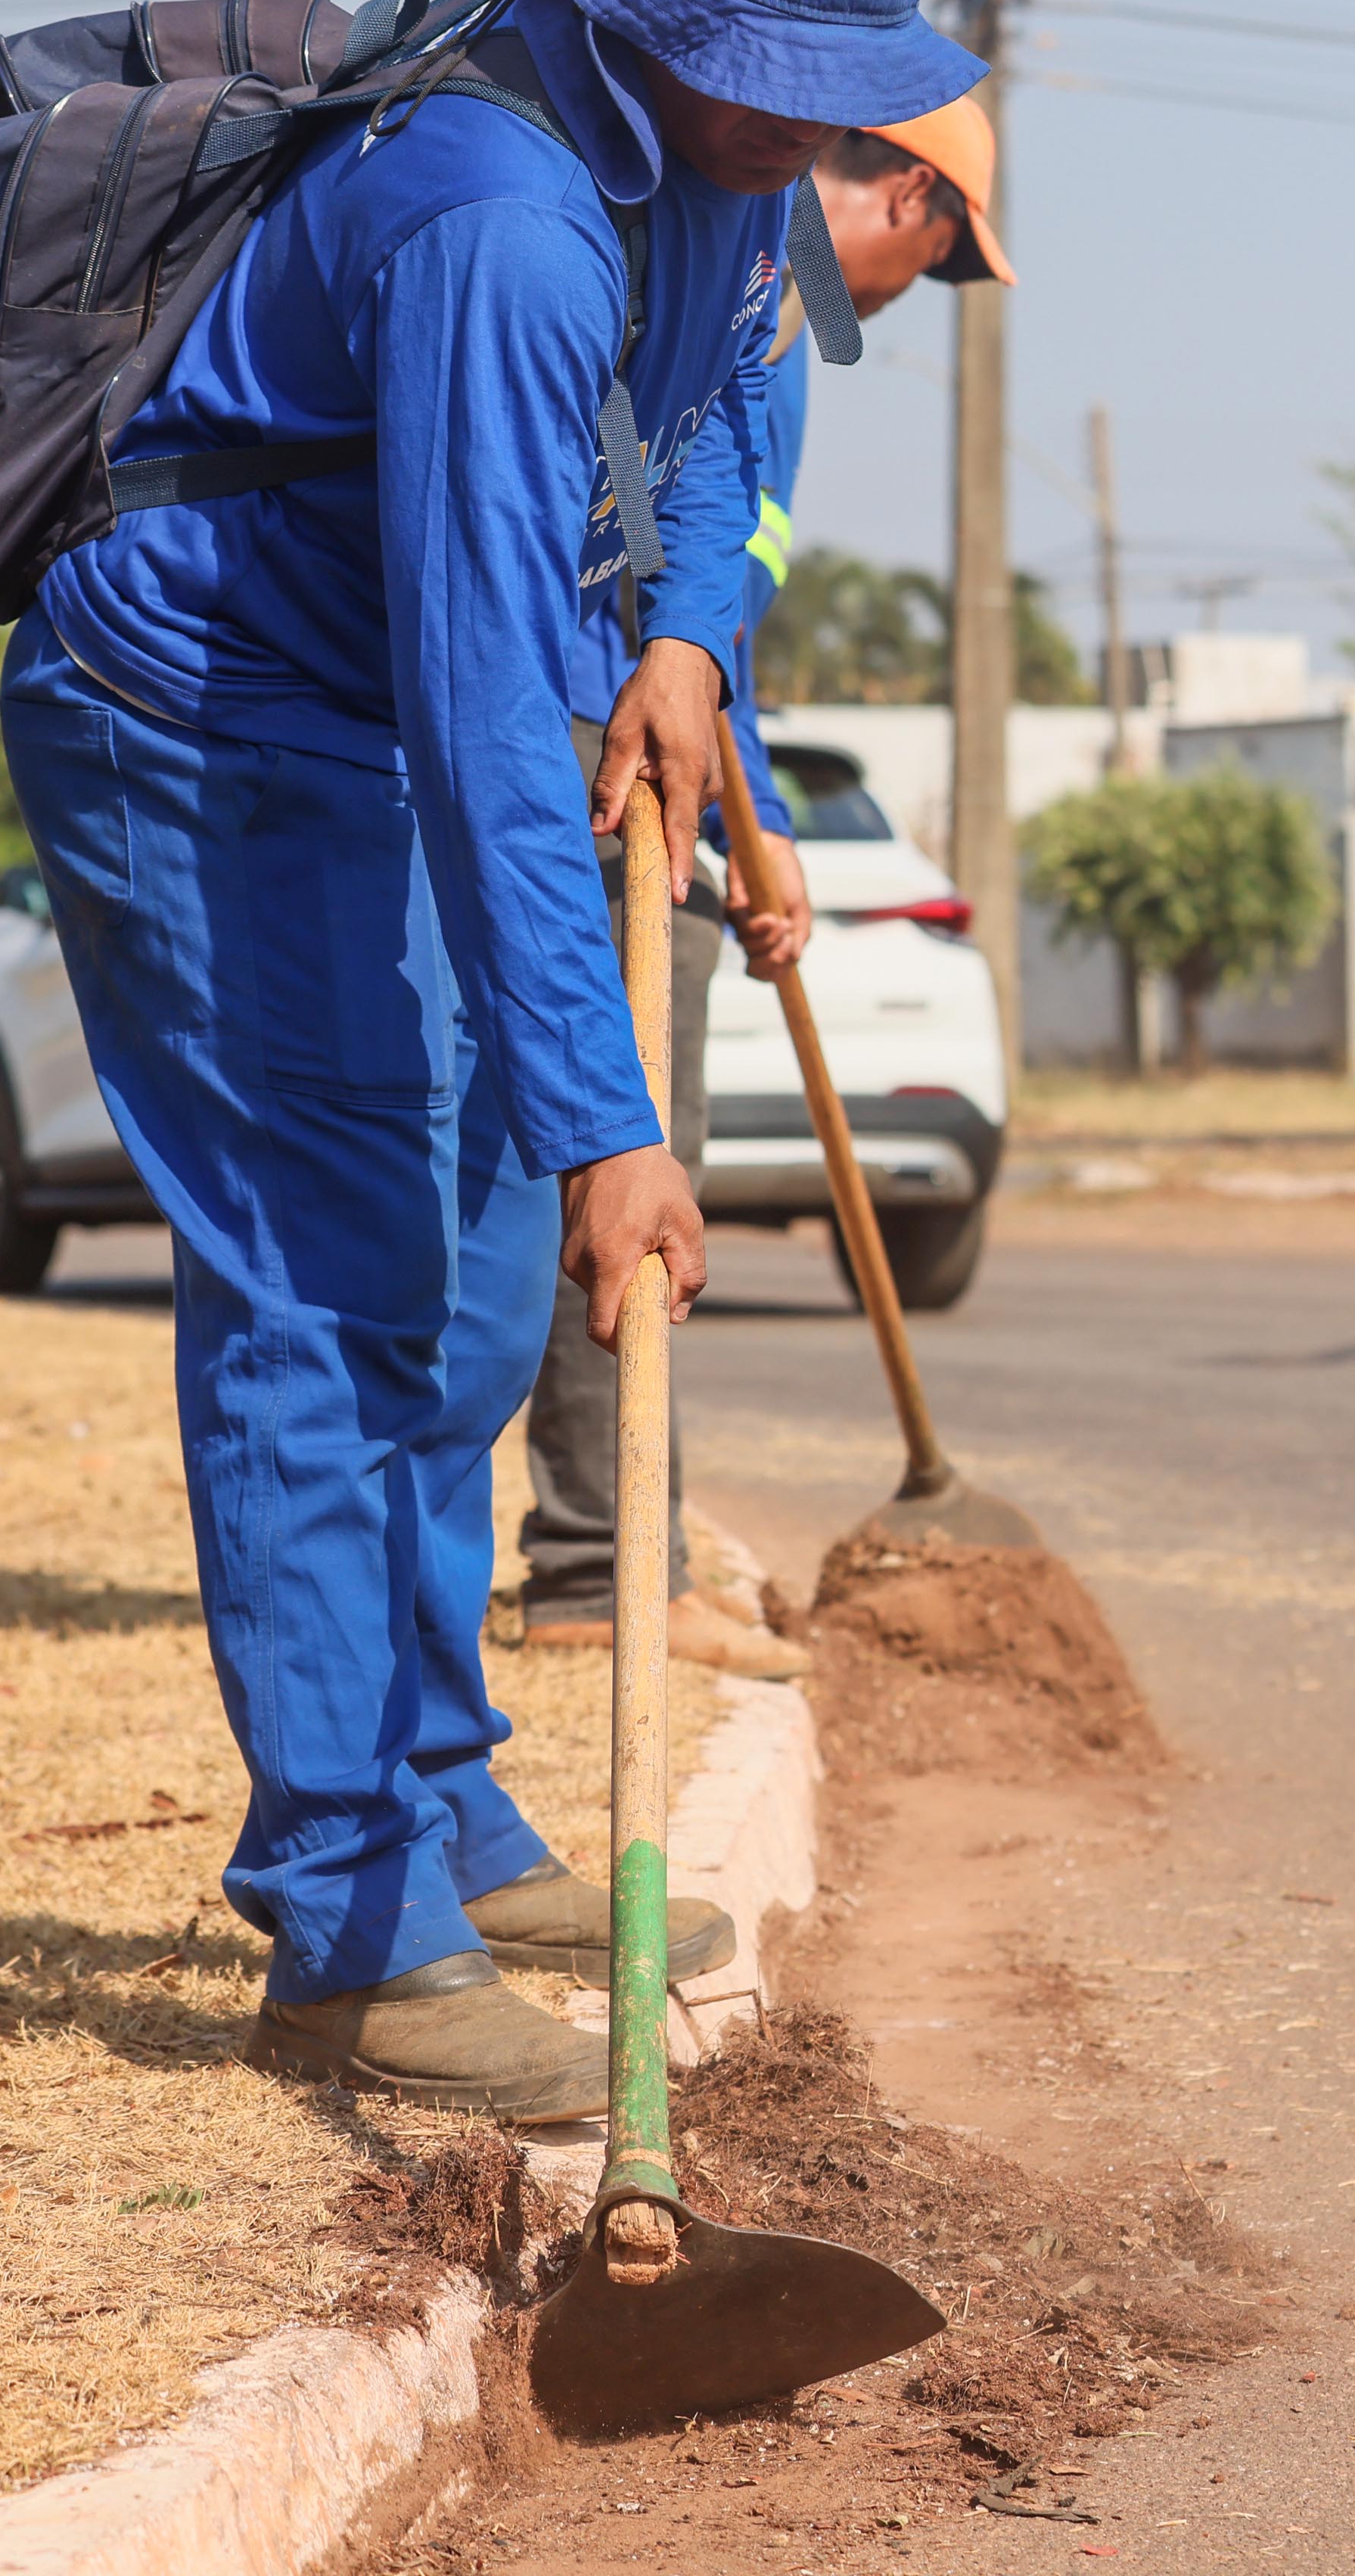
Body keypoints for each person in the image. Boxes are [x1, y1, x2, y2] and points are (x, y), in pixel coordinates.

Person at [0, 0, 986, 2120]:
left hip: (375, 706)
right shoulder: (501, 214)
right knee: (330, 1294)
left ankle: (437, 1791)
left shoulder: (713, 179)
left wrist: (692, 648)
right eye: (798, 86)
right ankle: (347, 1927)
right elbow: (468, 703)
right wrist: (603, 1120)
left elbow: (725, 429)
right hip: (210, 723)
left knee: (451, 1304)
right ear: (686, 23)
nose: (819, 137)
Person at [508, 98, 1012, 1680]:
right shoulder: (752, 282)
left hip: (641, 739)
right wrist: (733, 807)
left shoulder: (753, 287)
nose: (916, 293)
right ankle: (600, 1574)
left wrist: (761, 813)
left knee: (608, 1153)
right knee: (630, 1149)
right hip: (596, 745)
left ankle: (619, 1554)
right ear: (911, 196)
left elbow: (713, 616)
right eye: (940, 261)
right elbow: (656, 565)